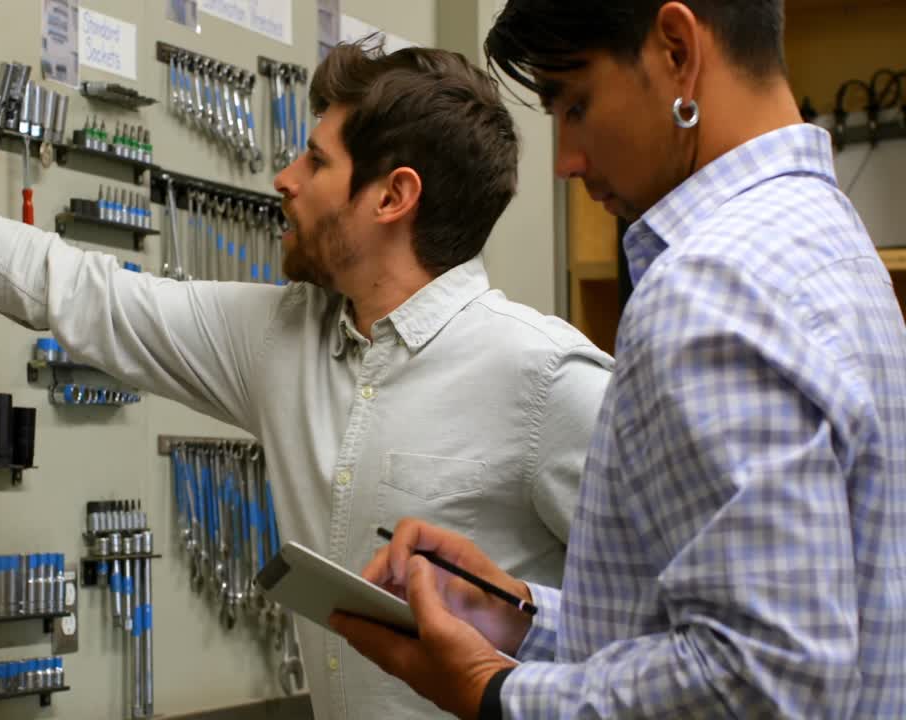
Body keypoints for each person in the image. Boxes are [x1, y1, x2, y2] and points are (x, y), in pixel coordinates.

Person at [0, 40, 613, 720]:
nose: (284, 179)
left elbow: (680, 637)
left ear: (393, 197)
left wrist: (522, 623)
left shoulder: (547, 383)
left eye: (315, 160)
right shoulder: (281, 338)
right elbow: (66, 286)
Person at [330, 1, 906, 718]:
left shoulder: (711, 286)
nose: (567, 162)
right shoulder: (829, 241)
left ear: (676, 50)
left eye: (575, 105)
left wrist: (495, 690)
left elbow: (764, 682)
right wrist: (517, 618)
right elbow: (740, 634)